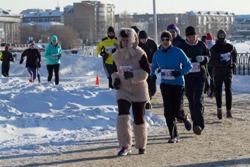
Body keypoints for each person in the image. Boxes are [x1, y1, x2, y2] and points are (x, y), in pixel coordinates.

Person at [111, 28, 150, 155]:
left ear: (133, 39)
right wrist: (115, 80)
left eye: (127, 40)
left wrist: (132, 75)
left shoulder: (140, 53)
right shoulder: (116, 55)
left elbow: (146, 72)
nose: (125, 42)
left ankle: (141, 145)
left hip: (139, 89)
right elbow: (114, 72)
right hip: (123, 89)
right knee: (122, 115)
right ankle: (125, 145)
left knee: (139, 118)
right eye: (122, 40)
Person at [151, 31, 192, 143]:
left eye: (167, 39)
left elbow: (189, 65)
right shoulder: (157, 54)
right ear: (160, 41)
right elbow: (153, 66)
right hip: (165, 84)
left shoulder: (178, 52)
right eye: (163, 39)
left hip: (178, 84)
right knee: (168, 112)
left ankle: (184, 117)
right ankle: (174, 135)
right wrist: (152, 75)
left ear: (171, 41)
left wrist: (179, 72)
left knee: (177, 110)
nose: (165, 42)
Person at [179, 26, 210, 135]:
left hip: (199, 76)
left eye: (193, 36)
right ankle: (194, 119)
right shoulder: (182, 46)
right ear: (186, 37)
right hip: (187, 77)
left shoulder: (201, 45)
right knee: (191, 99)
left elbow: (208, 56)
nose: (192, 38)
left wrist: (204, 59)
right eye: (190, 37)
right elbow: (178, 60)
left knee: (198, 97)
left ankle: (199, 125)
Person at [208, 29, 237, 119]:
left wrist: (234, 63)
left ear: (225, 36)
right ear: (217, 36)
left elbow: (234, 55)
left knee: (228, 90)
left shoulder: (230, 46)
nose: (222, 36)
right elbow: (210, 61)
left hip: (228, 72)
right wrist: (220, 63)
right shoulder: (214, 48)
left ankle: (228, 110)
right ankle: (219, 109)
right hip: (217, 73)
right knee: (218, 91)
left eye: (223, 35)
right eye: (220, 35)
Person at [138, 30, 158, 109]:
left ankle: (149, 96)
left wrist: (157, 65)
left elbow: (157, 54)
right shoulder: (137, 45)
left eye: (145, 38)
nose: (144, 40)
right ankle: (147, 101)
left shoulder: (152, 43)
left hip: (152, 67)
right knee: (144, 85)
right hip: (142, 69)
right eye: (142, 39)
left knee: (153, 88)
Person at [206, 33, 215, 98]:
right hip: (213, 64)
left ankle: (207, 90)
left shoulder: (205, 45)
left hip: (206, 64)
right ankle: (212, 91)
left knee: (206, 77)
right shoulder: (214, 45)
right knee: (212, 78)